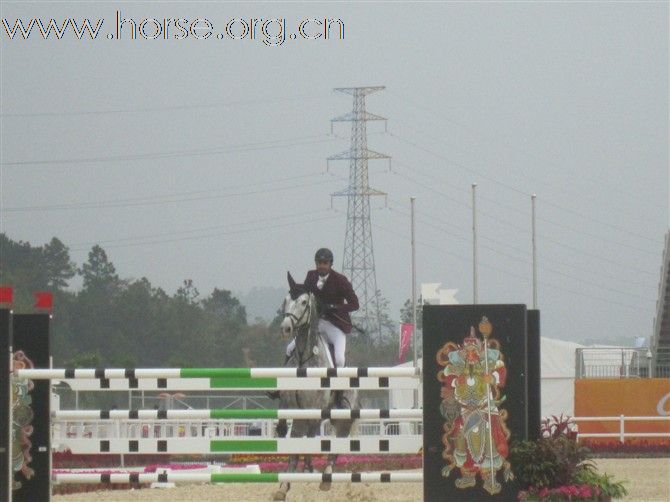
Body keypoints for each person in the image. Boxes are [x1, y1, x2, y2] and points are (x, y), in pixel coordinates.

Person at [285, 247, 359, 368]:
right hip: (315, 323)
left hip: (334, 325)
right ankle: (284, 378)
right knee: (290, 348)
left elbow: (355, 304)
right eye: (319, 263)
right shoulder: (311, 276)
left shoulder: (341, 280)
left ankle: (340, 386)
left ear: (330, 264)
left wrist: (335, 307)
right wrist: (294, 287)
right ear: (316, 263)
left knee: (340, 359)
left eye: (325, 263)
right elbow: (305, 293)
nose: (322, 266)